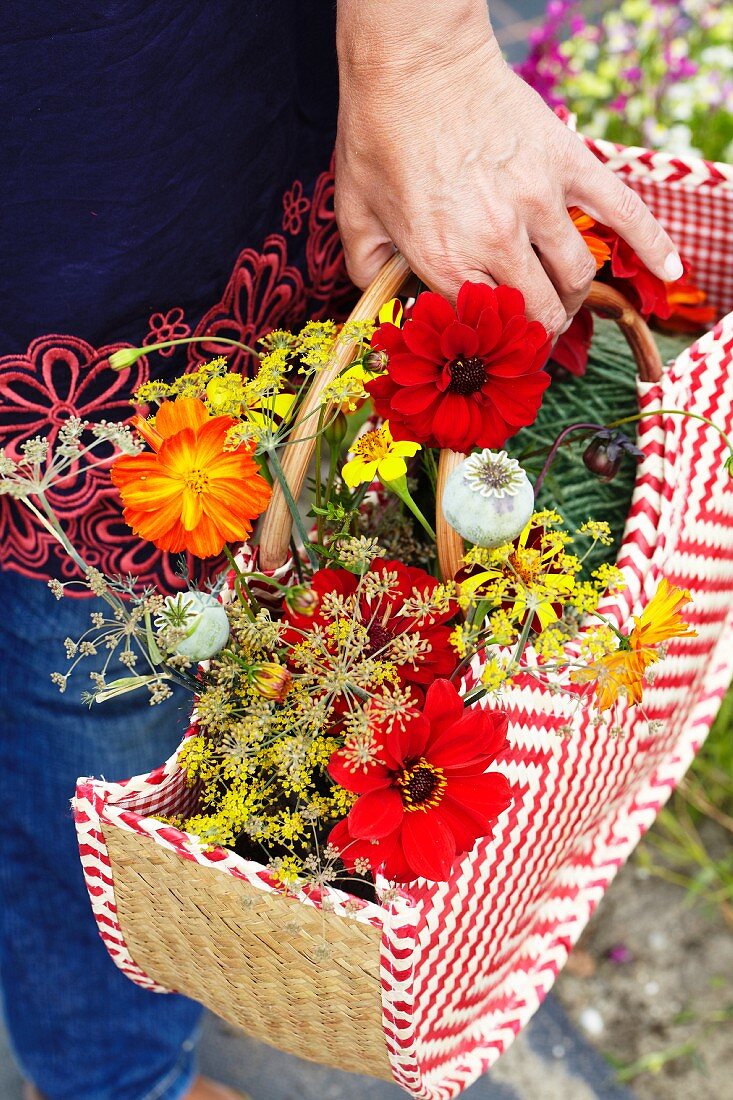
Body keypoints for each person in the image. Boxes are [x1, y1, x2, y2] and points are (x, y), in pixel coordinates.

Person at [0, 3, 680, 1098]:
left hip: (107, 132)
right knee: (88, 685)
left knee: (90, 645)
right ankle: (111, 1078)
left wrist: (425, 47)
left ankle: (106, 1068)